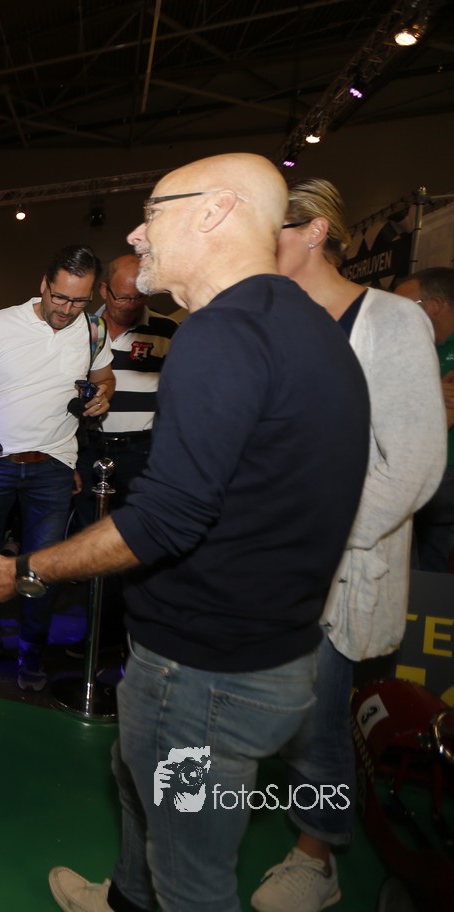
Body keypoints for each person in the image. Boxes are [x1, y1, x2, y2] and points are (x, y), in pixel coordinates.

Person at [0, 153, 372, 912]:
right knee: (136, 787)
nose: (138, 233)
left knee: (190, 871)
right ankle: (123, 900)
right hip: (267, 651)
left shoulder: (220, 334)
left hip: (203, 673)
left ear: (215, 212)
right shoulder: (305, 323)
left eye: (154, 212)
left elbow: (166, 519)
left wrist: (23, 570)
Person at [250, 179, 445, 912]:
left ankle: (318, 853)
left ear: (315, 231)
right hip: (260, 554)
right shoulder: (271, 319)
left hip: (338, 562)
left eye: (270, 229)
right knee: (241, 707)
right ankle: (183, 844)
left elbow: (414, 464)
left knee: (318, 715)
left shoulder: (391, 319)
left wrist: (316, 538)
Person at [0, 244, 115, 691]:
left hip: (53, 467)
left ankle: (31, 651)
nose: (67, 309)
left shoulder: (93, 330)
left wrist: (104, 395)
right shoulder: (2, 324)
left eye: (78, 301)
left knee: (42, 568)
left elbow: (104, 377)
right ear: (44, 285)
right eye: (60, 297)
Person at [71, 253, 178, 653]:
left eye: (139, 297)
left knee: (135, 545)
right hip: (89, 450)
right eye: (122, 297)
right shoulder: (82, 327)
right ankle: (96, 637)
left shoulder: (166, 329)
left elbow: (177, 394)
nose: (130, 305)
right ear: (103, 290)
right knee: (92, 546)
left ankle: (130, 639)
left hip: (141, 452)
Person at [394, 267, 454, 573]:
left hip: (440, 476)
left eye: (405, 306)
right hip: (416, 469)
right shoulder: (414, 348)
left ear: (436, 305)